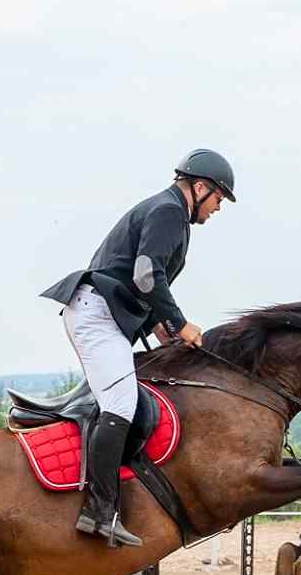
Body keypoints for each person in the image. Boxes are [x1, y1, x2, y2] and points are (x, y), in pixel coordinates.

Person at [38, 147, 235, 546]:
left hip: (108, 314)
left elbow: (138, 279)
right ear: (199, 187)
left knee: (135, 402)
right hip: (98, 315)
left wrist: (159, 325)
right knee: (121, 405)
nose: (217, 209)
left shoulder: (172, 214)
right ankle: (99, 510)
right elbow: (146, 274)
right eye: (218, 199)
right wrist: (178, 323)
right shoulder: (168, 211)